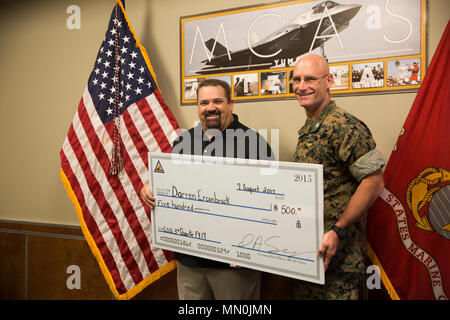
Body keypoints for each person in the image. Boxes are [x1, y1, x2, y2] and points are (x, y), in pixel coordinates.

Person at [140, 78, 274, 299]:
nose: (210, 107)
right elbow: (171, 182)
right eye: (204, 102)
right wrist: (151, 185)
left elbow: (269, 202)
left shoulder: (253, 143)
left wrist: (249, 250)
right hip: (190, 261)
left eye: (217, 101)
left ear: (231, 104)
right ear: (198, 107)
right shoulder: (184, 142)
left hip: (233, 264)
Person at [292, 54, 385, 300]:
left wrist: (338, 230)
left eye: (310, 79)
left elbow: (374, 182)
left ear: (329, 81)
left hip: (340, 260)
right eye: (297, 80)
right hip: (310, 255)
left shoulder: (344, 126)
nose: (302, 86)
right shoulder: (312, 127)